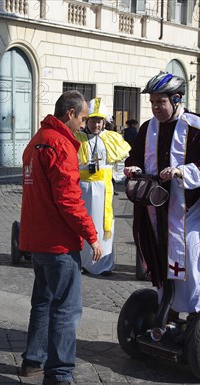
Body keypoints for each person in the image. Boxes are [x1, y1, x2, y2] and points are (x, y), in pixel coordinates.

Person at [123, 72, 200, 322]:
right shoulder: (148, 128)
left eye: (161, 102)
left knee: (190, 260)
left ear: (177, 99)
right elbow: (135, 155)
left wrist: (182, 171)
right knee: (160, 256)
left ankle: (197, 313)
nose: (155, 107)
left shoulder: (196, 127)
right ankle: (166, 307)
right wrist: (133, 167)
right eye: (152, 102)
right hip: (155, 207)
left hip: (187, 209)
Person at [19, 90, 102, 385]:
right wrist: (91, 234)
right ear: (69, 113)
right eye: (82, 117)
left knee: (43, 300)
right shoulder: (60, 144)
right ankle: (59, 376)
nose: (84, 123)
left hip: (37, 237)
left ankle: (33, 360)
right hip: (56, 241)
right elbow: (68, 199)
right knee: (66, 308)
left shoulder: (37, 139)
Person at [75, 98, 131, 275]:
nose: (96, 125)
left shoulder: (112, 138)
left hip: (104, 189)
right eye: (93, 121)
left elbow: (120, 161)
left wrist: (117, 176)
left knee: (104, 226)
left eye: (99, 121)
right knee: (85, 223)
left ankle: (103, 264)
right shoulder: (77, 138)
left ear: (104, 122)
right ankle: (84, 262)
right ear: (87, 121)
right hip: (83, 188)